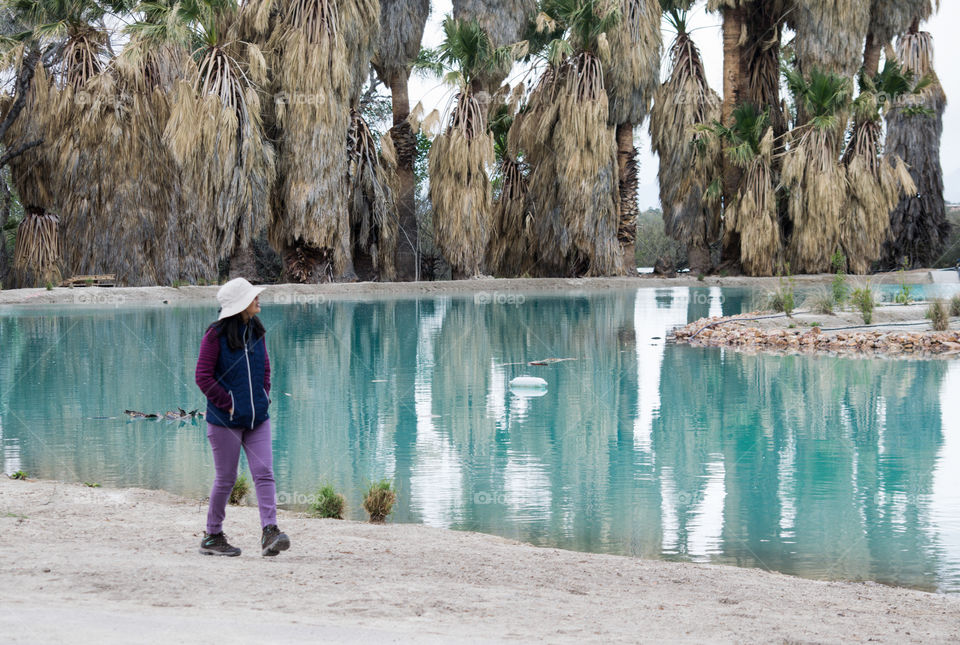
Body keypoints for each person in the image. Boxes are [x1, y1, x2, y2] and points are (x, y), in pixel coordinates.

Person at [194, 277, 290, 557]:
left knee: (265, 473)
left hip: (258, 418)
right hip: (225, 421)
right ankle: (212, 536)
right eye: (252, 296)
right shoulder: (215, 337)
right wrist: (230, 404)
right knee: (226, 478)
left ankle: (269, 532)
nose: (258, 299)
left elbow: (266, 369)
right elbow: (203, 377)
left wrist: (264, 395)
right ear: (239, 305)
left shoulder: (256, 331)